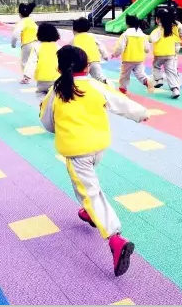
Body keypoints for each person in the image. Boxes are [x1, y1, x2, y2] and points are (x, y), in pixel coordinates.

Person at [39, 45, 149, 276]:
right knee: (86, 188)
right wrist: (141, 114)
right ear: (88, 66)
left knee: (89, 192)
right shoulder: (96, 86)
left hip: (77, 152)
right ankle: (90, 213)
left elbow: (47, 123)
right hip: (98, 148)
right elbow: (122, 103)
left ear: (59, 69)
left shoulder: (56, 91)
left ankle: (115, 239)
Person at [112, 15, 153, 94]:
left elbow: (120, 47)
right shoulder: (143, 35)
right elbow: (147, 48)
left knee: (125, 75)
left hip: (128, 59)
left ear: (127, 24)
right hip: (139, 59)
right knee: (140, 73)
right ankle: (146, 81)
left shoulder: (125, 35)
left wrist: (115, 54)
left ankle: (123, 89)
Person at [23, 22, 61, 98]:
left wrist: (27, 75)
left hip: (42, 79)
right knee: (55, 97)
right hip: (56, 78)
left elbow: (32, 62)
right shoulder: (58, 47)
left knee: (41, 95)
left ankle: (42, 104)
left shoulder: (37, 47)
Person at [149, 9, 181, 98]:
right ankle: (175, 89)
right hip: (170, 54)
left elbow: (151, 39)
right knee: (171, 71)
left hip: (159, 54)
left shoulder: (157, 31)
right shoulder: (172, 30)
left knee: (156, 66)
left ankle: (159, 79)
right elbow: (179, 36)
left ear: (158, 19)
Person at [70, 17, 110, 84]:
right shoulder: (91, 36)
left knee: (79, 77)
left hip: (81, 62)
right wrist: (105, 55)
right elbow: (100, 45)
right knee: (99, 77)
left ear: (74, 30)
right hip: (94, 59)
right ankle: (106, 83)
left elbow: (68, 50)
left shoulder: (74, 39)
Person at [11, 2, 38, 84]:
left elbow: (15, 33)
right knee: (34, 60)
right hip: (36, 43)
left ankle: (26, 78)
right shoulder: (32, 21)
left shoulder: (22, 22)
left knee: (24, 61)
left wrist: (13, 43)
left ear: (19, 14)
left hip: (27, 43)